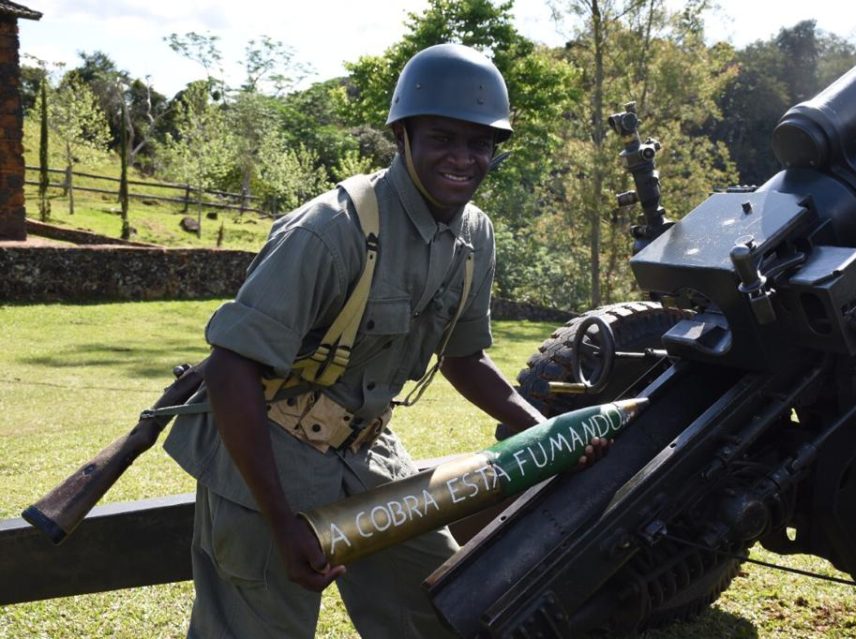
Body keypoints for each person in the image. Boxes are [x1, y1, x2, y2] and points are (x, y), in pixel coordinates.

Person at [164, 43, 605, 639]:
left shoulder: (474, 236)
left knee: (437, 608)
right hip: (268, 458)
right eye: (443, 138)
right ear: (403, 135)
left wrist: (544, 431)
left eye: (480, 143)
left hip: (367, 451)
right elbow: (229, 371)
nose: (463, 158)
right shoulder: (332, 229)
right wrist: (281, 522)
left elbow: (464, 359)